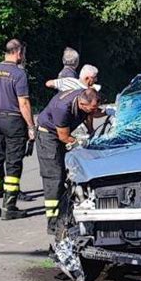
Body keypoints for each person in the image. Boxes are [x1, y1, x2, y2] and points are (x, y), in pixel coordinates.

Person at [0, 39, 35, 220]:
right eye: (23, 54)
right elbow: (24, 103)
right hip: (14, 123)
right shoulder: (19, 74)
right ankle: (8, 207)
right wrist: (31, 126)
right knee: (13, 164)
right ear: (18, 53)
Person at [36, 87, 99, 234]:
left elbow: (90, 114)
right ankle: (53, 223)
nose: (93, 111)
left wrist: (91, 132)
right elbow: (64, 136)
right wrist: (80, 143)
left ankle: (64, 214)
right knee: (54, 178)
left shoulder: (86, 96)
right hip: (48, 137)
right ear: (82, 104)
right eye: (91, 109)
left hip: (61, 133)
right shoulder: (62, 107)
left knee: (66, 175)